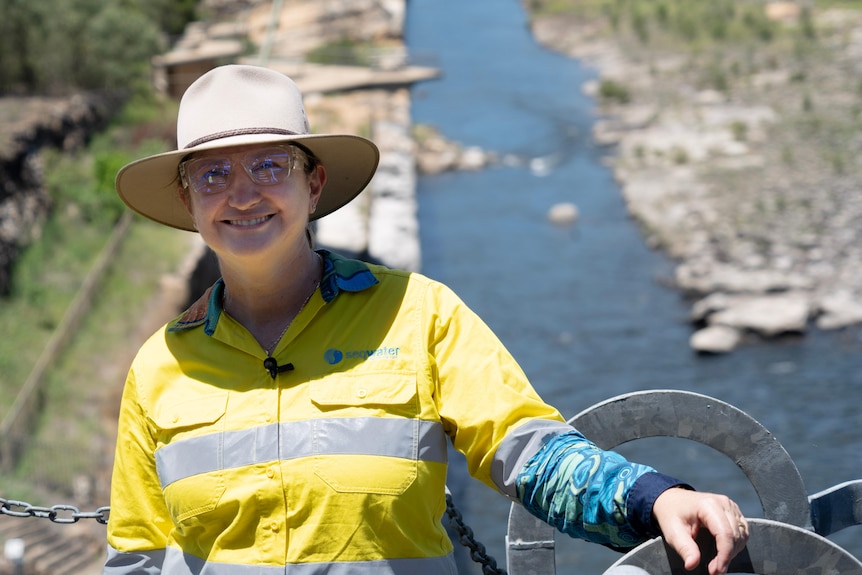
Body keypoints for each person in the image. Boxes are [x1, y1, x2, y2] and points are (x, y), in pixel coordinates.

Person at [104, 64, 748, 575]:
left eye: (270, 165)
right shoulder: (161, 366)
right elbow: (135, 558)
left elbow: (530, 454)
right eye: (213, 174)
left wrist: (653, 498)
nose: (243, 194)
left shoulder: (420, 313)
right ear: (189, 201)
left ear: (315, 183)